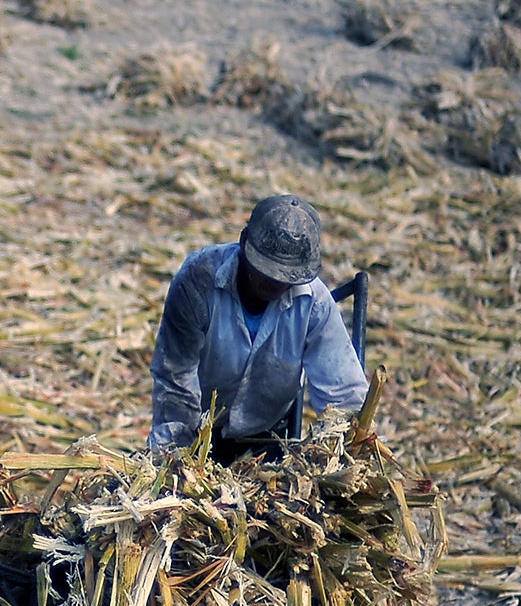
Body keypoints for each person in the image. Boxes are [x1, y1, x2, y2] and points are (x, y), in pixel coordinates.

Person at [146, 193, 368, 458]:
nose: (275, 283)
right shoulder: (199, 280)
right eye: (266, 271)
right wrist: (177, 459)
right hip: (198, 430)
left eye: (286, 277)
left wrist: (347, 451)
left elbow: (342, 394)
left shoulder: (314, 304)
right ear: (243, 242)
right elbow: (175, 379)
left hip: (269, 433)